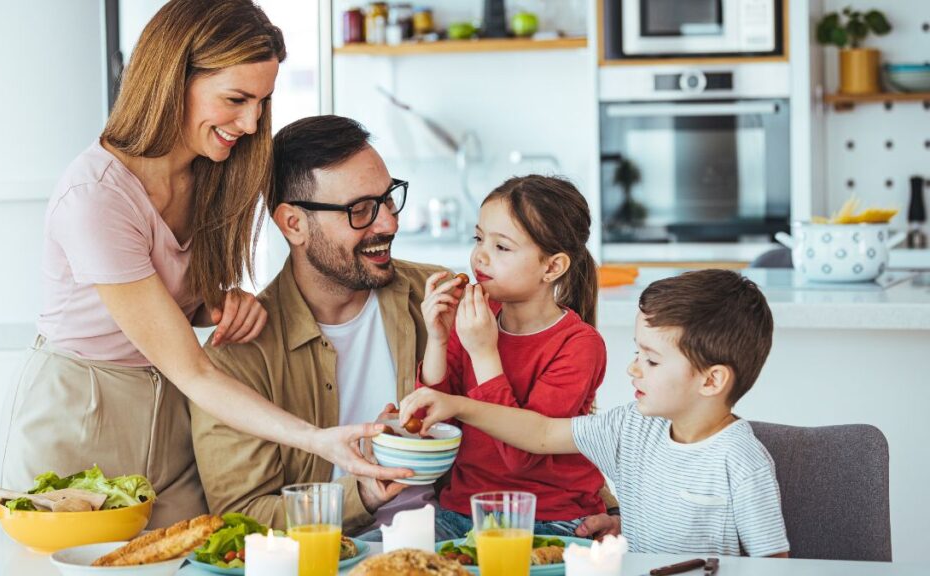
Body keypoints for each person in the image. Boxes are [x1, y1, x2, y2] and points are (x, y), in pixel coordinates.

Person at [0, 1, 404, 529]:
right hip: (83, 410)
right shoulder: (96, 196)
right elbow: (192, 367)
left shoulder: (212, 173)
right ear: (171, 79)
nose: (252, 122)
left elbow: (168, 316)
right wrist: (316, 438)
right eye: (236, 99)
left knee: (189, 557)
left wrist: (213, 303)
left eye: (262, 101)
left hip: (172, 410)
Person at [401, 269, 791, 557]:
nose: (633, 369)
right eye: (638, 353)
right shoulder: (630, 426)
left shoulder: (741, 460)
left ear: (711, 381)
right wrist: (456, 404)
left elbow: (776, 566)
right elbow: (538, 432)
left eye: (651, 361)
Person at [190, 115, 444, 535]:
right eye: (360, 210)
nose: (388, 223)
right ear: (293, 224)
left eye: (388, 198)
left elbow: (529, 411)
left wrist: (589, 501)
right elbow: (242, 516)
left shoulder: (435, 298)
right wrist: (360, 494)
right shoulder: (236, 355)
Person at [416, 175, 611, 540]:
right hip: (462, 511)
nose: (480, 255)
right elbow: (435, 425)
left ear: (552, 267)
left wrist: (484, 352)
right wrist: (438, 338)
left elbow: (523, 455)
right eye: (479, 239)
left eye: (502, 247)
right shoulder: (474, 318)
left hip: (550, 520)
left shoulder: (579, 345)